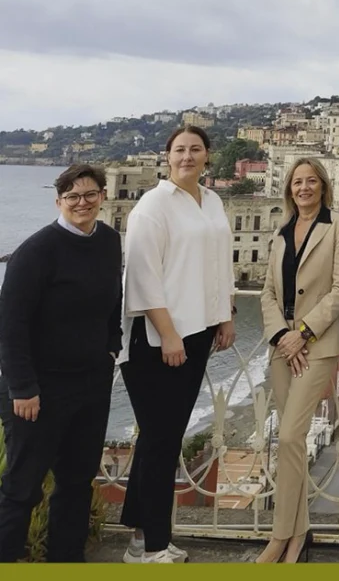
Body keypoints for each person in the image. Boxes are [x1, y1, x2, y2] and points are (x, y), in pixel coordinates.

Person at [118, 125, 237, 564]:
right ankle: (150, 547)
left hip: (200, 332)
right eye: (179, 150)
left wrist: (225, 315)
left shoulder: (214, 200)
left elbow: (219, 263)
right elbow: (143, 275)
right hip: (159, 339)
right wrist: (168, 334)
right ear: (167, 157)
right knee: (162, 439)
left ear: (208, 156)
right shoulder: (153, 205)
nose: (187, 156)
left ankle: (139, 538)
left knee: (160, 438)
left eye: (196, 149)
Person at [0, 165, 122, 562]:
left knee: (76, 481)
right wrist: (22, 388)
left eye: (89, 195)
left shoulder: (108, 241)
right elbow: (11, 324)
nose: (82, 203)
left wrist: (112, 347)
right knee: (22, 488)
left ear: (103, 197)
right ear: (59, 202)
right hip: (39, 391)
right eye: (72, 197)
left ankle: (66, 562)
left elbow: (112, 300)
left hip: (90, 385)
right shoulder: (35, 252)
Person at [256, 158, 339, 563]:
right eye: (297, 182)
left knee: (291, 437)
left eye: (311, 181)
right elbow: (266, 292)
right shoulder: (280, 234)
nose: (304, 188)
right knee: (291, 443)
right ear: (289, 189)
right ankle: (299, 536)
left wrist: (303, 333)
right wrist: (282, 336)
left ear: (323, 186)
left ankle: (279, 538)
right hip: (283, 349)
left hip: (317, 346)